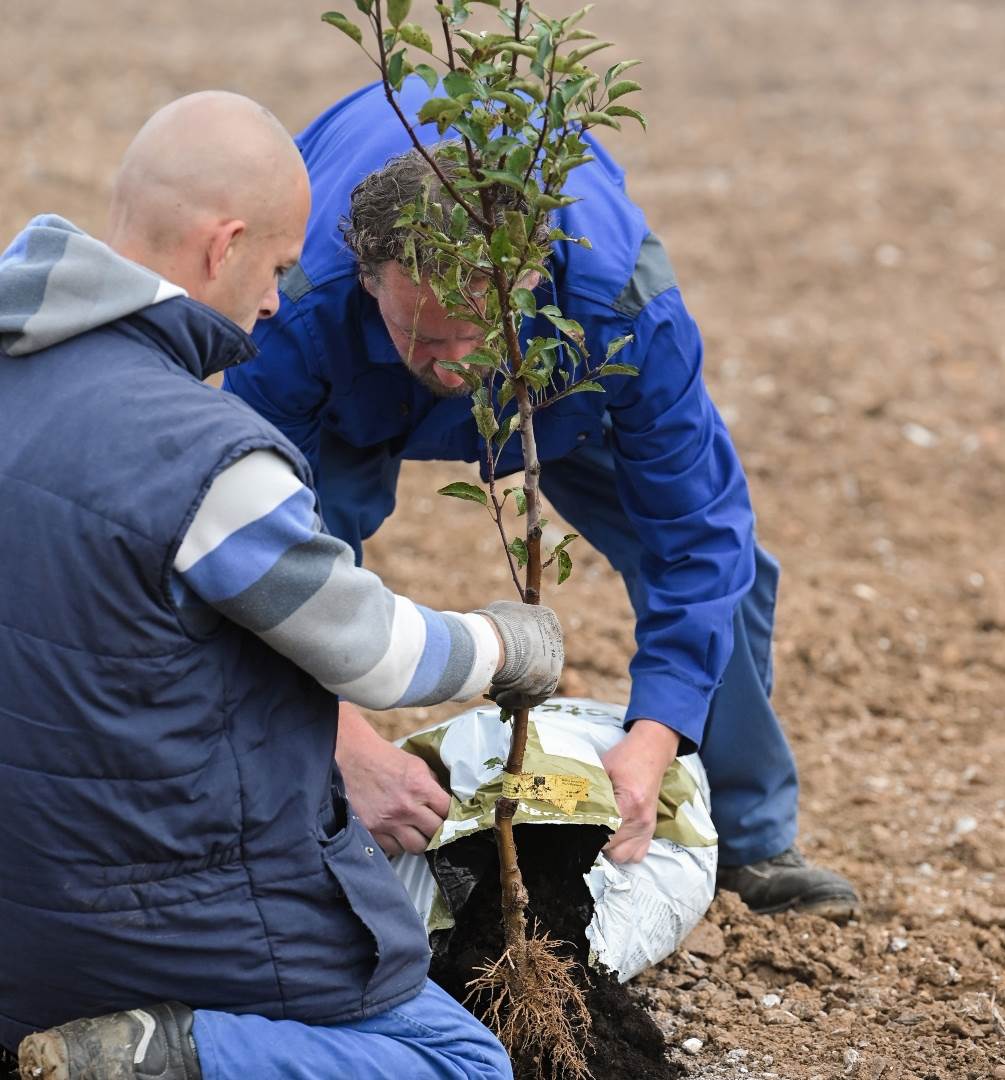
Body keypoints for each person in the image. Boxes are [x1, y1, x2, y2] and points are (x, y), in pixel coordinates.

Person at [0, 91, 568, 1080]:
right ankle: (172, 1053)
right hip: (148, 919)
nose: (275, 303)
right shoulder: (202, 457)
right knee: (466, 1068)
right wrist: (508, 644)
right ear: (222, 247)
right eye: (273, 268)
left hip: (20, 891)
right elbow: (378, 655)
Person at [223, 78, 860, 919]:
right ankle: (282, 827)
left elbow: (696, 536)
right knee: (292, 577)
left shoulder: (623, 316)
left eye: (470, 335)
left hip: (560, 383)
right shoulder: (296, 310)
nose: (451, 366)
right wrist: (344, 742)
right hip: (350, 390)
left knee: (725, 574)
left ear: (525, 283)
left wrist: (655, 739)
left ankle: (749, 833)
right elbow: (254, 554)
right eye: (422, 334)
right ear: (369, 280)